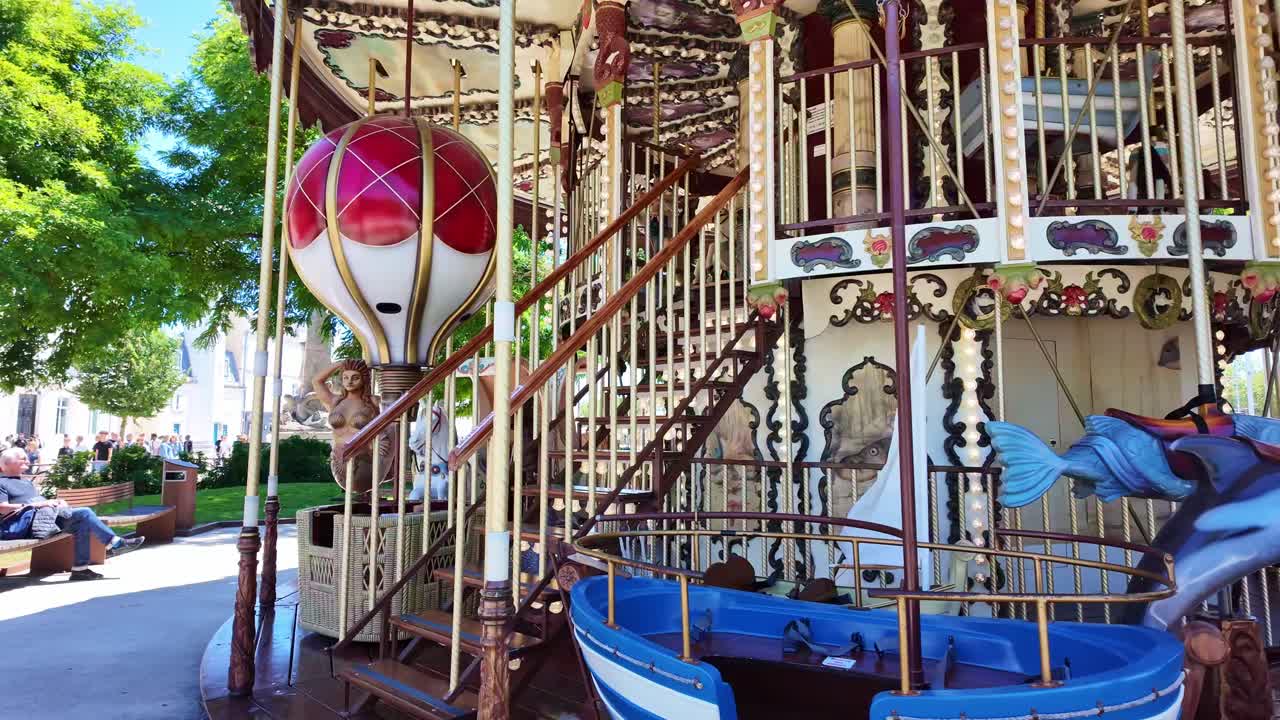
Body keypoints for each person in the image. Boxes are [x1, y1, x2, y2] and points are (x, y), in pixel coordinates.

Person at [0, 447, 144, 581]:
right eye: (21, 458)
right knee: (85, 512)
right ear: (5, 464)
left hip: (43, 521)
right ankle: (115, 543)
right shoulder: (2, 482)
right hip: (22, 527)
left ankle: (80, 570)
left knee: (81, 523)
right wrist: (37, 504)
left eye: (26, 457)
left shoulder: (26, 483)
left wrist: (55, 502)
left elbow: (39, 502)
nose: (27, 460)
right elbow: (2, 507)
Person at [311, 358, 384, 493]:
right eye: (345, 377)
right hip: (338, 458)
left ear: (364, 380)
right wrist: (340, 364)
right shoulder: (336, 401)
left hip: (363, 458)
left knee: (359, 491)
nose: (349, 381)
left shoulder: (373, 401)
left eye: (355, 378)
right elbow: (317, 381)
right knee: (350, 495)